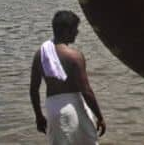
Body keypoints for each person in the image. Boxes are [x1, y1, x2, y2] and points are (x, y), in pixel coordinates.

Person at [30, 10, 106, 144]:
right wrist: (100, 117)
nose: (77, 32)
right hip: (74, 106)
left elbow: (33, 89)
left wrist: (39, 116)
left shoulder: (40, 55)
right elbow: (86, 90)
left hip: (54, 108)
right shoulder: (74, 56)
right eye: (75, 29)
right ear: (66, 31)